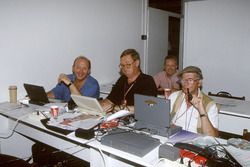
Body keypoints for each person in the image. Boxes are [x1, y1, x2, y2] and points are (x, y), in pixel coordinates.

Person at [169, 66, 219, 137]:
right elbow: (162, 120)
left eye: (190, 80)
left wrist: (201, 110)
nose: (186, 83)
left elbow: (212, 137)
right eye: (183, 80)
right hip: (174, 136)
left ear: (199, 83)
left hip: (195, 142)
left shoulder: (210, 104)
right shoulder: (174, 96)